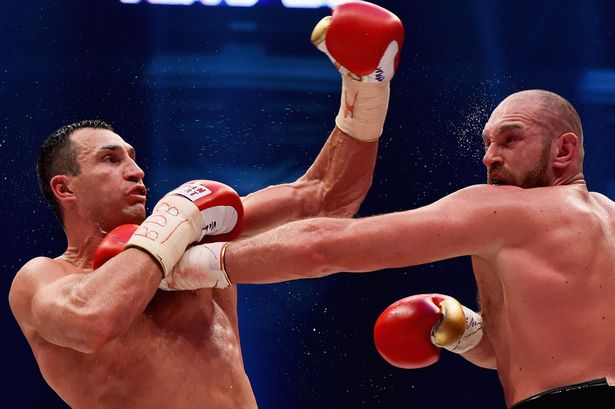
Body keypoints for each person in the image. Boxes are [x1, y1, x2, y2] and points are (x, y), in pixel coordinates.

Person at [7, 2, 404, 408]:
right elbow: (93, 320)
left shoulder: (193, 233)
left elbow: (326, 196)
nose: (136, 170)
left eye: (133, 157)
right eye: (111, 160)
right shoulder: (43, 278)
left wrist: (366, 88)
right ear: (64, 188)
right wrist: (171, 225)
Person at [181, 89, 615, 407]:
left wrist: (186, 264)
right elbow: (539, 355)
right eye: (486, 143)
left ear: (564, 149)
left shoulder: (503, 208)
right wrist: (462, 332)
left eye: (510, 139)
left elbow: (323, 247)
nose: (489, 157)